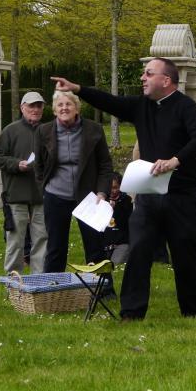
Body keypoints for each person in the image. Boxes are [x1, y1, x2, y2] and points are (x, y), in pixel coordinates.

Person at [51, 58, 196, 320]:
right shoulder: (142, 106)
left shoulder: (186, 107)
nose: (142, 78)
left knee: (185, 254)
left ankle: (193, 311)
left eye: (148, 73)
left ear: (166, 80)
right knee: (138, 250)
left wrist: (175, 160)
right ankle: (131, 312)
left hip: (182, 195)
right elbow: (110, 102)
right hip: (148, 195)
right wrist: (77, 89)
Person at [35, 90, 113, 273]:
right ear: (54, 110)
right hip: (56, 195)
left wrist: (102, 193)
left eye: (68, 104)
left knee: (95, 246)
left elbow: (105, 165)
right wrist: (44, 189)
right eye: (60, 105)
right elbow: (38, 166)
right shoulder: (43, 131)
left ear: (77, 108)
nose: (64, 108)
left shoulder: (94, 129)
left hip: (88, 197)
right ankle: (52, 289)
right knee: (55, 247)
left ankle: (103, 290)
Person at [0, 91, 48, 273]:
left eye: (39, 106)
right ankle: (13, 282)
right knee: (16, 241)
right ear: (22, 108)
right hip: (16, 194)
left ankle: (38, 280)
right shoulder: (11, 130)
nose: (35, 109)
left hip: (42, 195)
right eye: (31, 105)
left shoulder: (48, 131)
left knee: (42, 239)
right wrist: (17, 164)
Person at [102, 173, 132, 265]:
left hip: (121, 244)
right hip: (104, 244)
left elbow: (126, 221)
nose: (113, 191)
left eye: (115, 187)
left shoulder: (126, 200)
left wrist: (116, 208)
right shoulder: (102, 201)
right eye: (110, 188)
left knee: (114, 265)